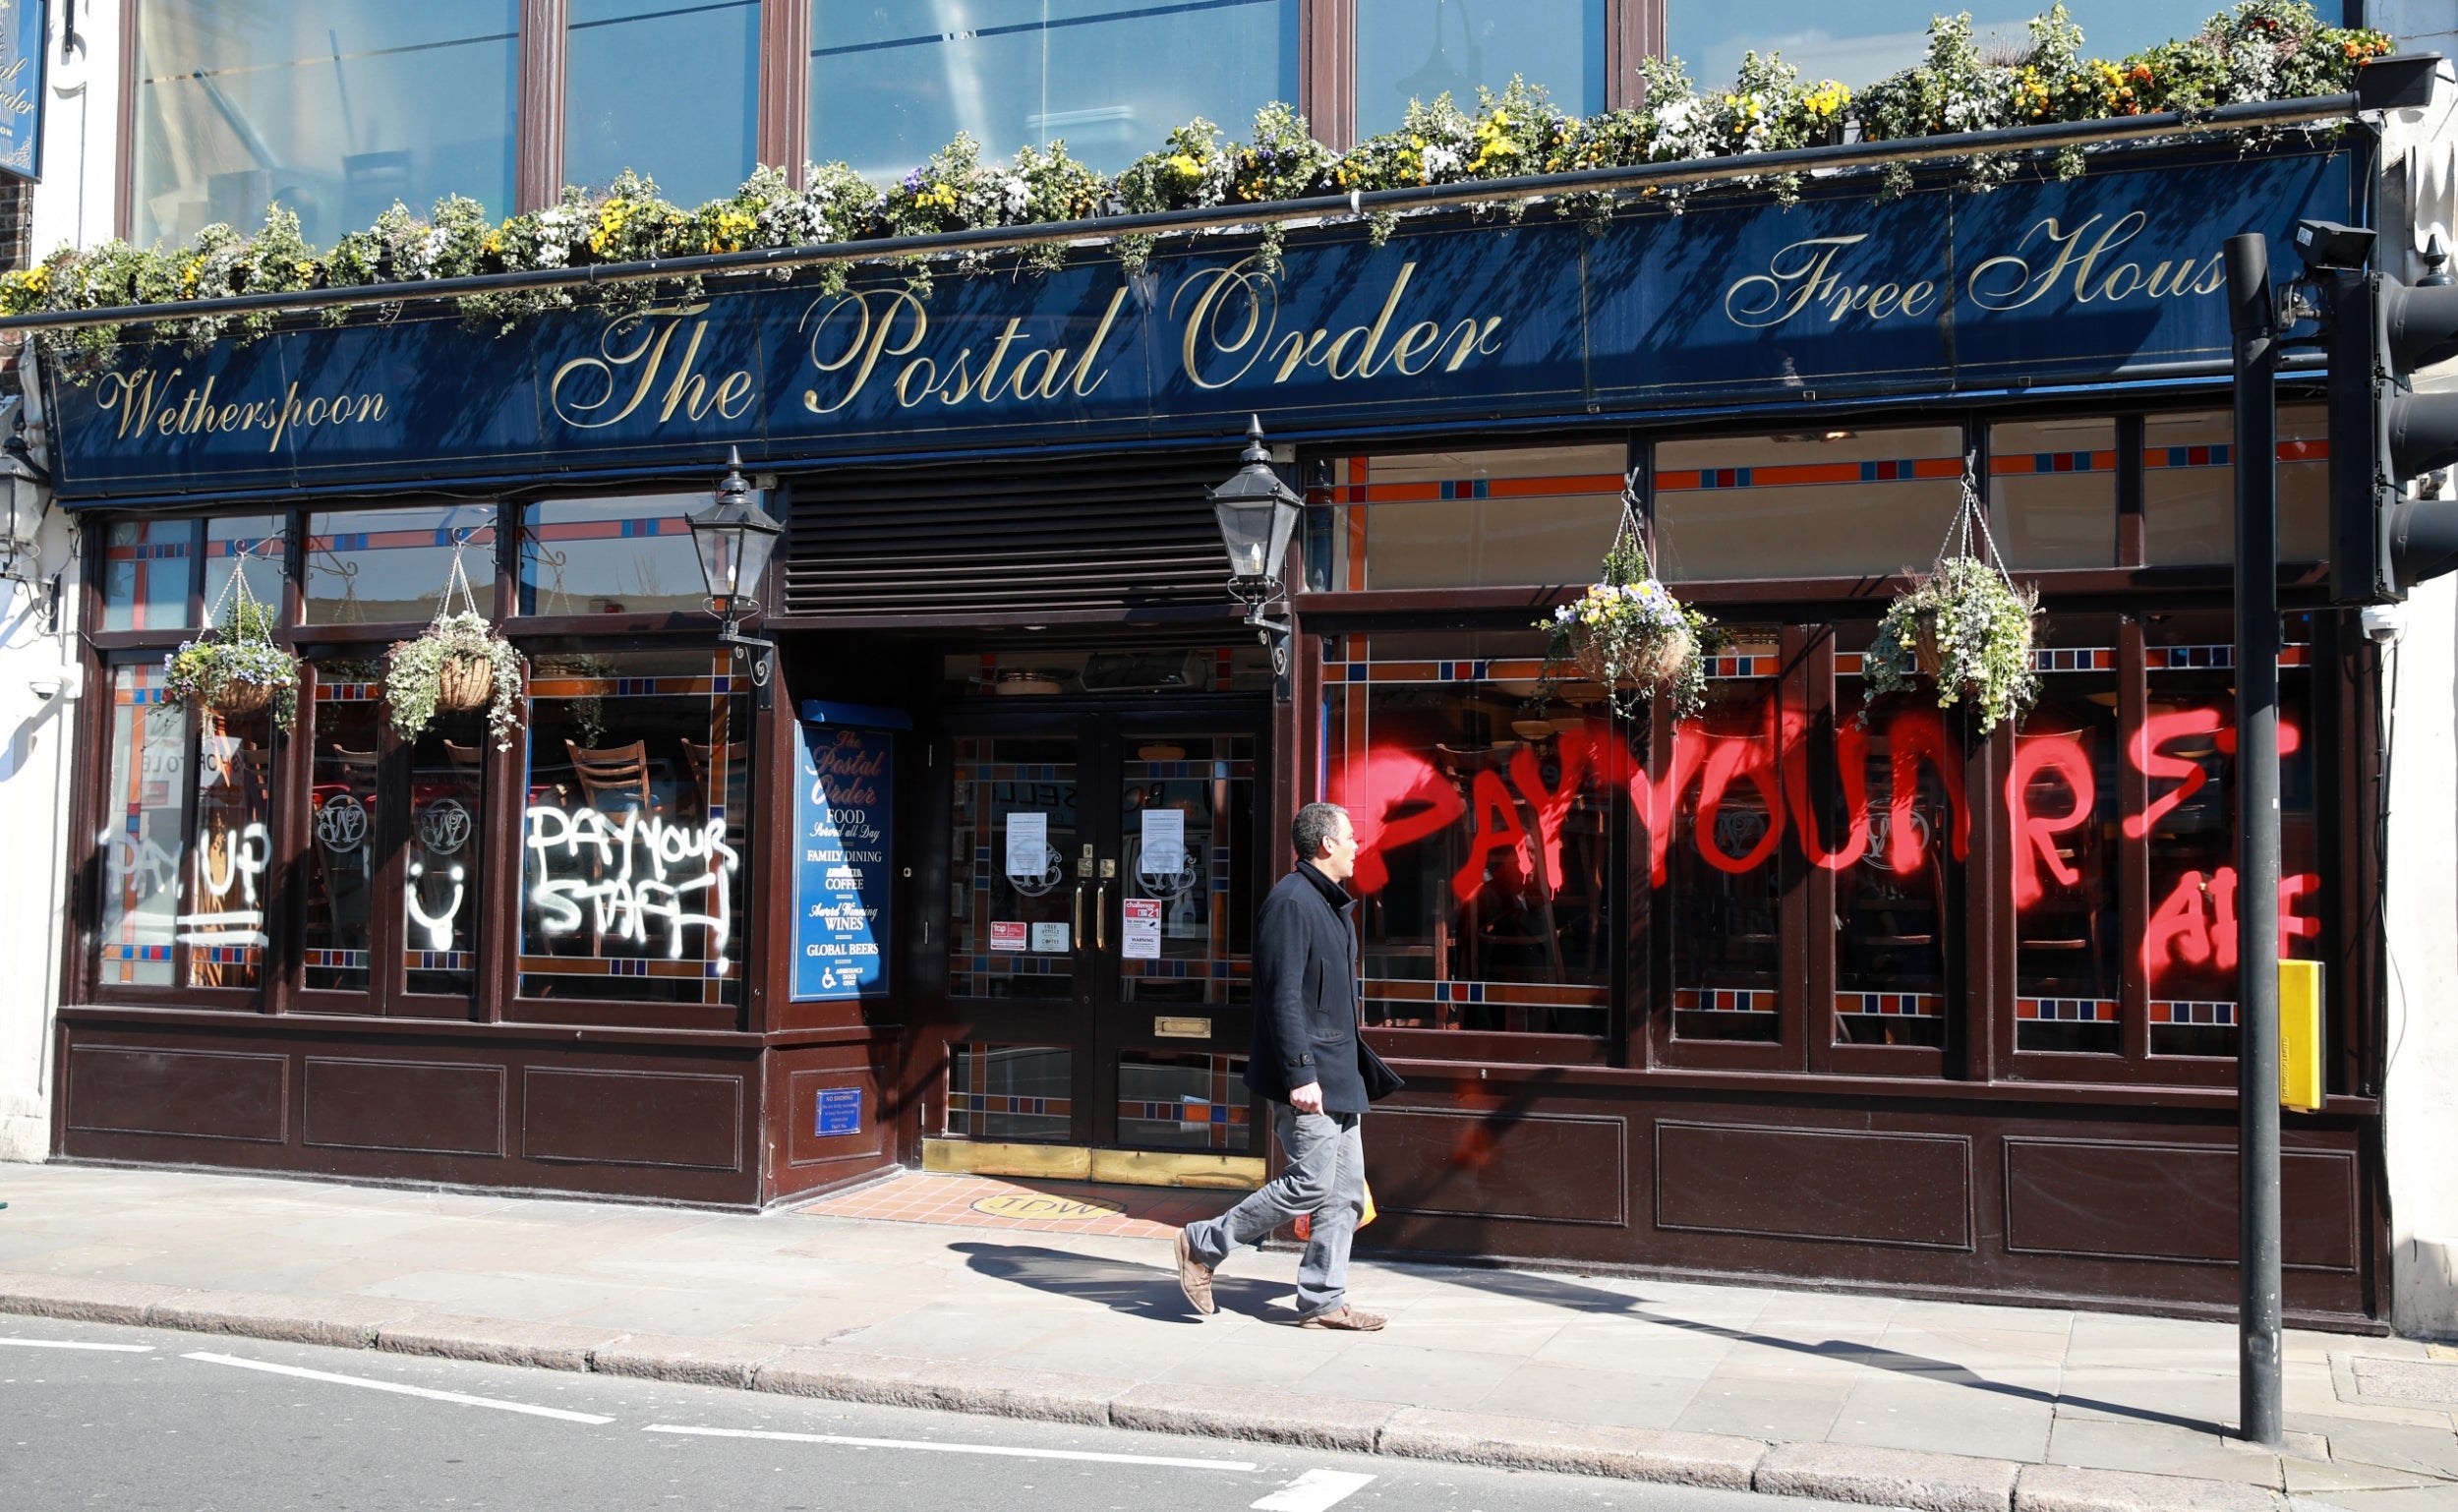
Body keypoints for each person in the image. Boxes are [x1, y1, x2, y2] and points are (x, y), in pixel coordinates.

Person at [1174, 801, 1383, 1330]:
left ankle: (1324, 1301)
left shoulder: (1329, 903)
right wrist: (1301, 1073)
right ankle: (1203, 1242)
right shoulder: (1291, 902)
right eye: (1352, 837)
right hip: (1310, 1075)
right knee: (1312, 1184)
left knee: (1346, 1195)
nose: (1359, 845)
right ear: (1327, 844)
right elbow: (1282, 997)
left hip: (1340, 1073)